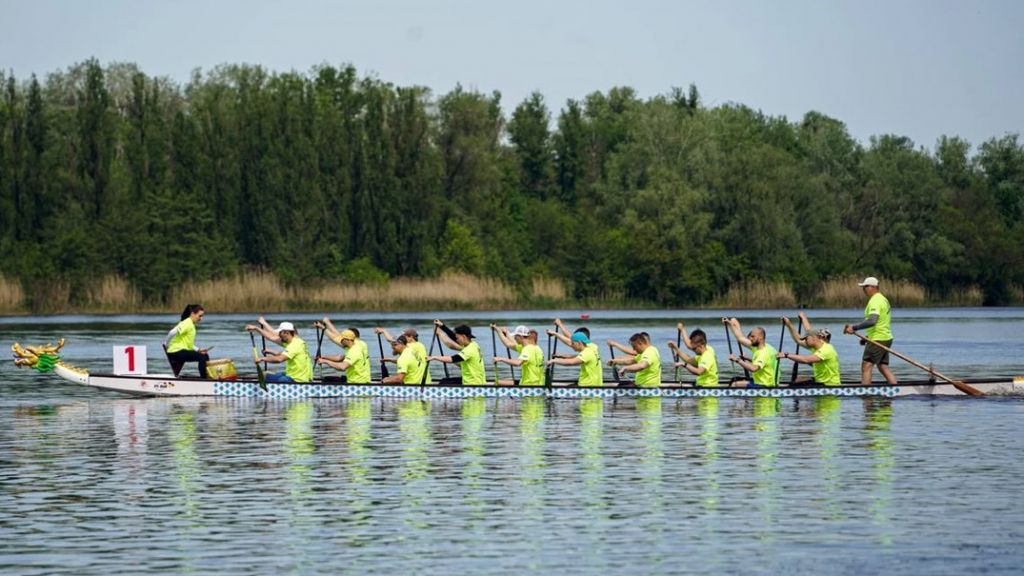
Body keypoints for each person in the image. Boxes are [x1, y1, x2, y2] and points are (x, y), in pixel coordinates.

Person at [844, 276, 897, 385]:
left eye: (865, 287)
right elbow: (880, 322)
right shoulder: (883, 299)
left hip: (878, 338)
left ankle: (866, 394)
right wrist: (867, 337)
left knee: (866, 366)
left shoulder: (875, 301)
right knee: (882, 366)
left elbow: (872, 321)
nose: (863, 289)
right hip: (885, 337)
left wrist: (854, 328)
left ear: (873, 287)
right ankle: (895, 388)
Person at [246, 317, 313, 383]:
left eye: (280, 333)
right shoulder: (297, 341)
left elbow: (279, 359)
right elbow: (271, 337)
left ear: (287, 333)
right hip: (298, 376)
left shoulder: (294, 345)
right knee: (269, 374)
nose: (279, 335)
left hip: (297, 380)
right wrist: (257, 328)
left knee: (264, 375)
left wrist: (262, 359)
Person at [427, 320, 487, 385]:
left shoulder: (469, 349)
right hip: (473, 379)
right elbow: (453, 336)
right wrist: (442, 326)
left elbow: (453, 359)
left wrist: (434, 357)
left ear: (463, 336)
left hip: (473, 383)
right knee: (444, 381)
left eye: (458, 338)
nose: (457, 340)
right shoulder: (473, 344)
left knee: (443, 383)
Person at [724, 318, 777, 388]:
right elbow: (740, 338)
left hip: (764, 385)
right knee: (735, 380)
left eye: (753, 336)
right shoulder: (765, 347)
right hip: (766, 382)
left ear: (761, 337)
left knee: (734, 384)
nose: (750, 339)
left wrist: (737, 360)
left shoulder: (763, 353)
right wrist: (731, 324)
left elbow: (753, 368)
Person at [776, 328, 841, 386]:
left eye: (806, 338)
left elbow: (806, 360)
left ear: (814, 338)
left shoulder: (826, 349)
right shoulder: (816, 349)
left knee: (798, 382)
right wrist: (788, 324)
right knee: (800, 379)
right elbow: (807, 361)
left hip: (829, 384)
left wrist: (786, 355)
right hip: (821, 382)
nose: (805, 341)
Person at [546, 321, 602, 386]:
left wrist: (554, 361)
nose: (571, 345)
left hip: (588, 387)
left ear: (579, 343)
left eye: (573, 343)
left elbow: (571, 362)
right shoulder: (593, 346)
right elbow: (570, 339)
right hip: (595, 384)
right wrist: (556, 334)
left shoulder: (586, 353)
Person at [164, 304, 210, 377]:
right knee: (202, 357)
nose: (201, 318)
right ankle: (204, 379)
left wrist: (198, 350)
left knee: (204, 355)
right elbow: (172, 332)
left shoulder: (191, 324)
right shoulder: (187, 322)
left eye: (202, 316)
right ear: (192, 314)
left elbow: (189, 344)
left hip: (180, 351)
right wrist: (166, 343)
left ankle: (207, 376)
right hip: (175, 352)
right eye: (200, 316)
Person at [667, 323, 718, 387]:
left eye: (694, 349)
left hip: (707, 387)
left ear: (700, 346)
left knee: (672, 387)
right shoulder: (707, 349)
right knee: (672, 386)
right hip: (700, 385)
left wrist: (684, 364)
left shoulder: (707, 356)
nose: (693, 350)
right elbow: (688, 359)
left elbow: (699, 372)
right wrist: (676, 348)